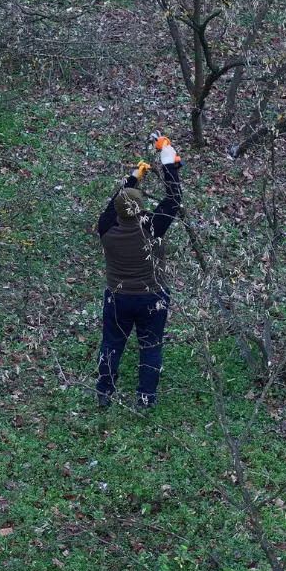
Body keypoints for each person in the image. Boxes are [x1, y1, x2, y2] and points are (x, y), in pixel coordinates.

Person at [95, 132, 185, 408]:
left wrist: (135, 176)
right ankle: (146, 397)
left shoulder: (106, 226)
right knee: (150, 346)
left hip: (118, 296)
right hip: (152, 297)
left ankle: (104, 393)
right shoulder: (153, 226)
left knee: (112, 344)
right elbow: (173, 198)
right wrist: (168, 160)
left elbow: (115, 201)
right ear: (141, 208)